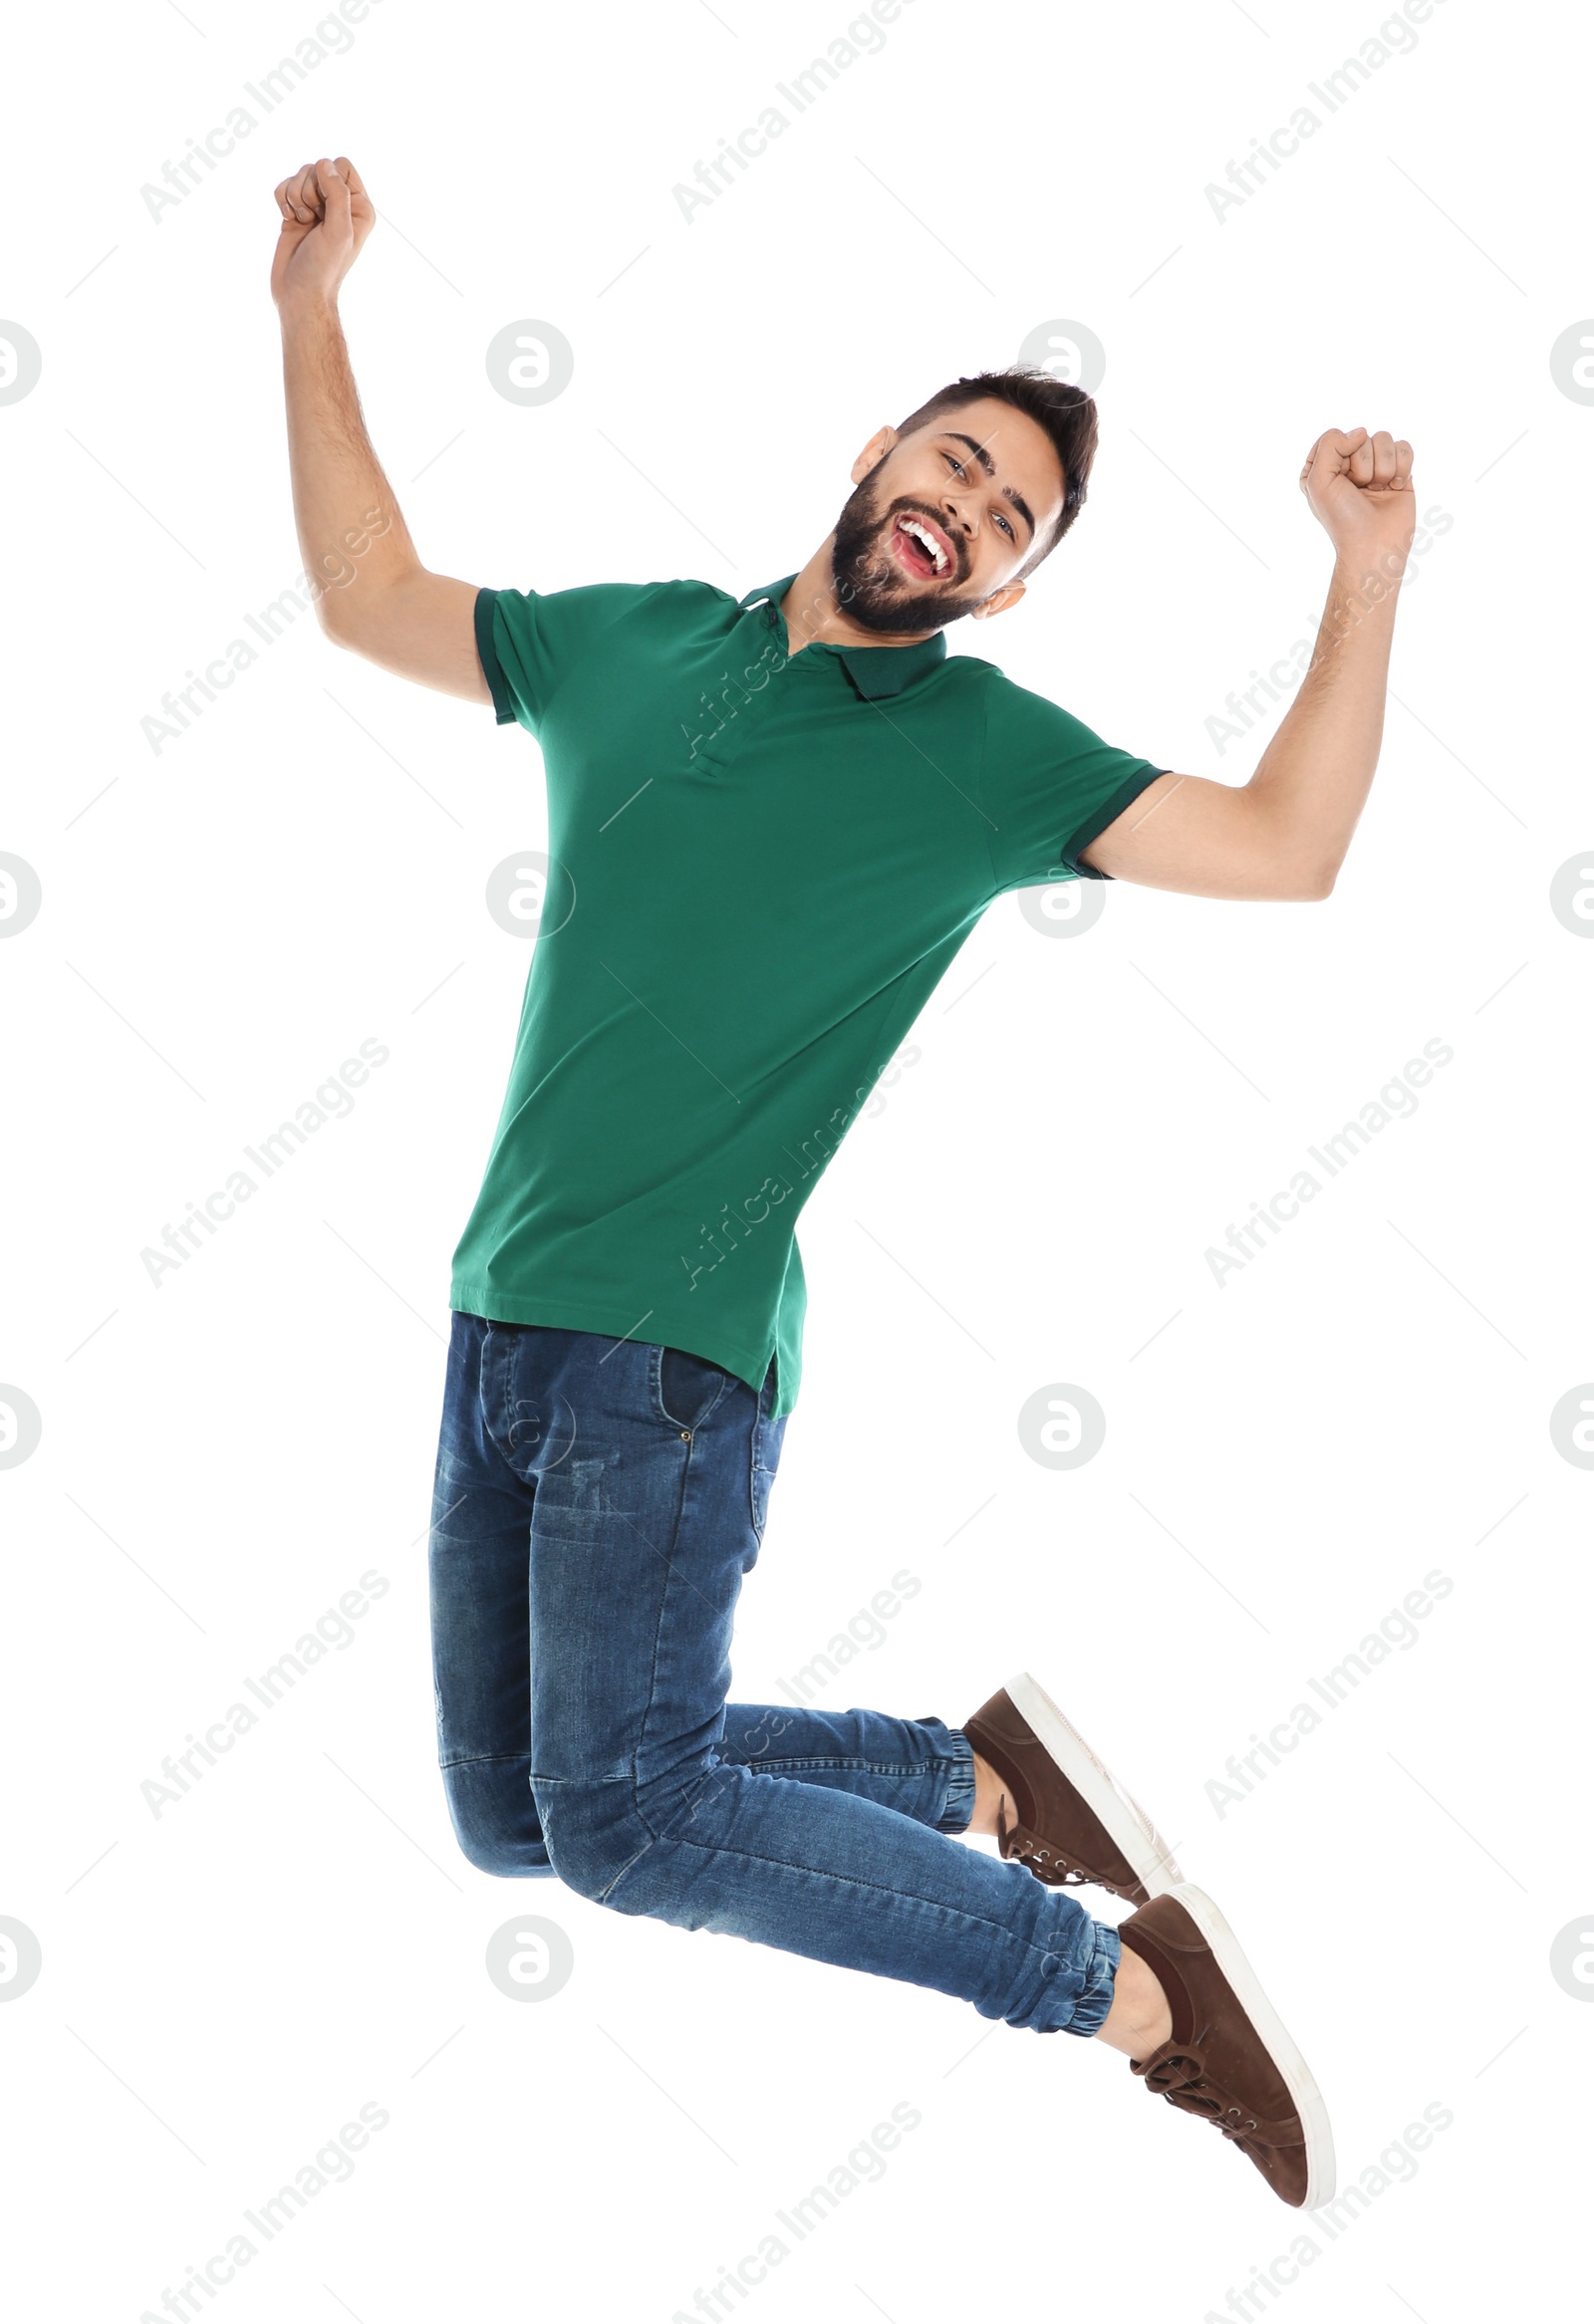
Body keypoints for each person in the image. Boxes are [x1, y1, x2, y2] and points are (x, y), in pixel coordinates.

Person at [272, 154, 1416, 2212]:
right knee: (519, 1822)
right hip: (498, 1309)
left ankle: (1119, 1992)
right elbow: (369, 595)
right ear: (870, 449)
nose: (961, 516)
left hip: (670, 1354)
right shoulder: (627, 644)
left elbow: (1284, 845)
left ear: (1001, 589)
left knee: (623, 1820)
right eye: (955, 467)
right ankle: (975, 1780)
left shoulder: (979, 753)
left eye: (1005, 526)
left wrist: (1362, 569)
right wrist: (311, 305)